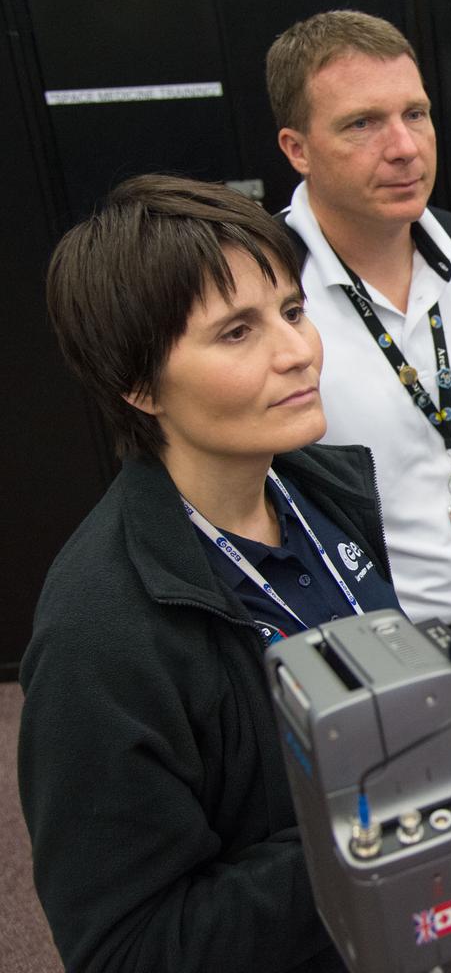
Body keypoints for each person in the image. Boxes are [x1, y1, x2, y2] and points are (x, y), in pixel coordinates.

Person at [20, 175, 398, 971]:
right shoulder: (100, 635)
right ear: (139, 383)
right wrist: (376, 832)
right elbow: (127, 946)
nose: (298, 351)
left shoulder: (324, 495)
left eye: (293, 311)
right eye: (236, 332)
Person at [267, 10, 451, 660]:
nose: (404, 147)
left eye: (416, 114)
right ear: (297, 148)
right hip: (369, 638)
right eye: (362, 123)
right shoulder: (265, 287)